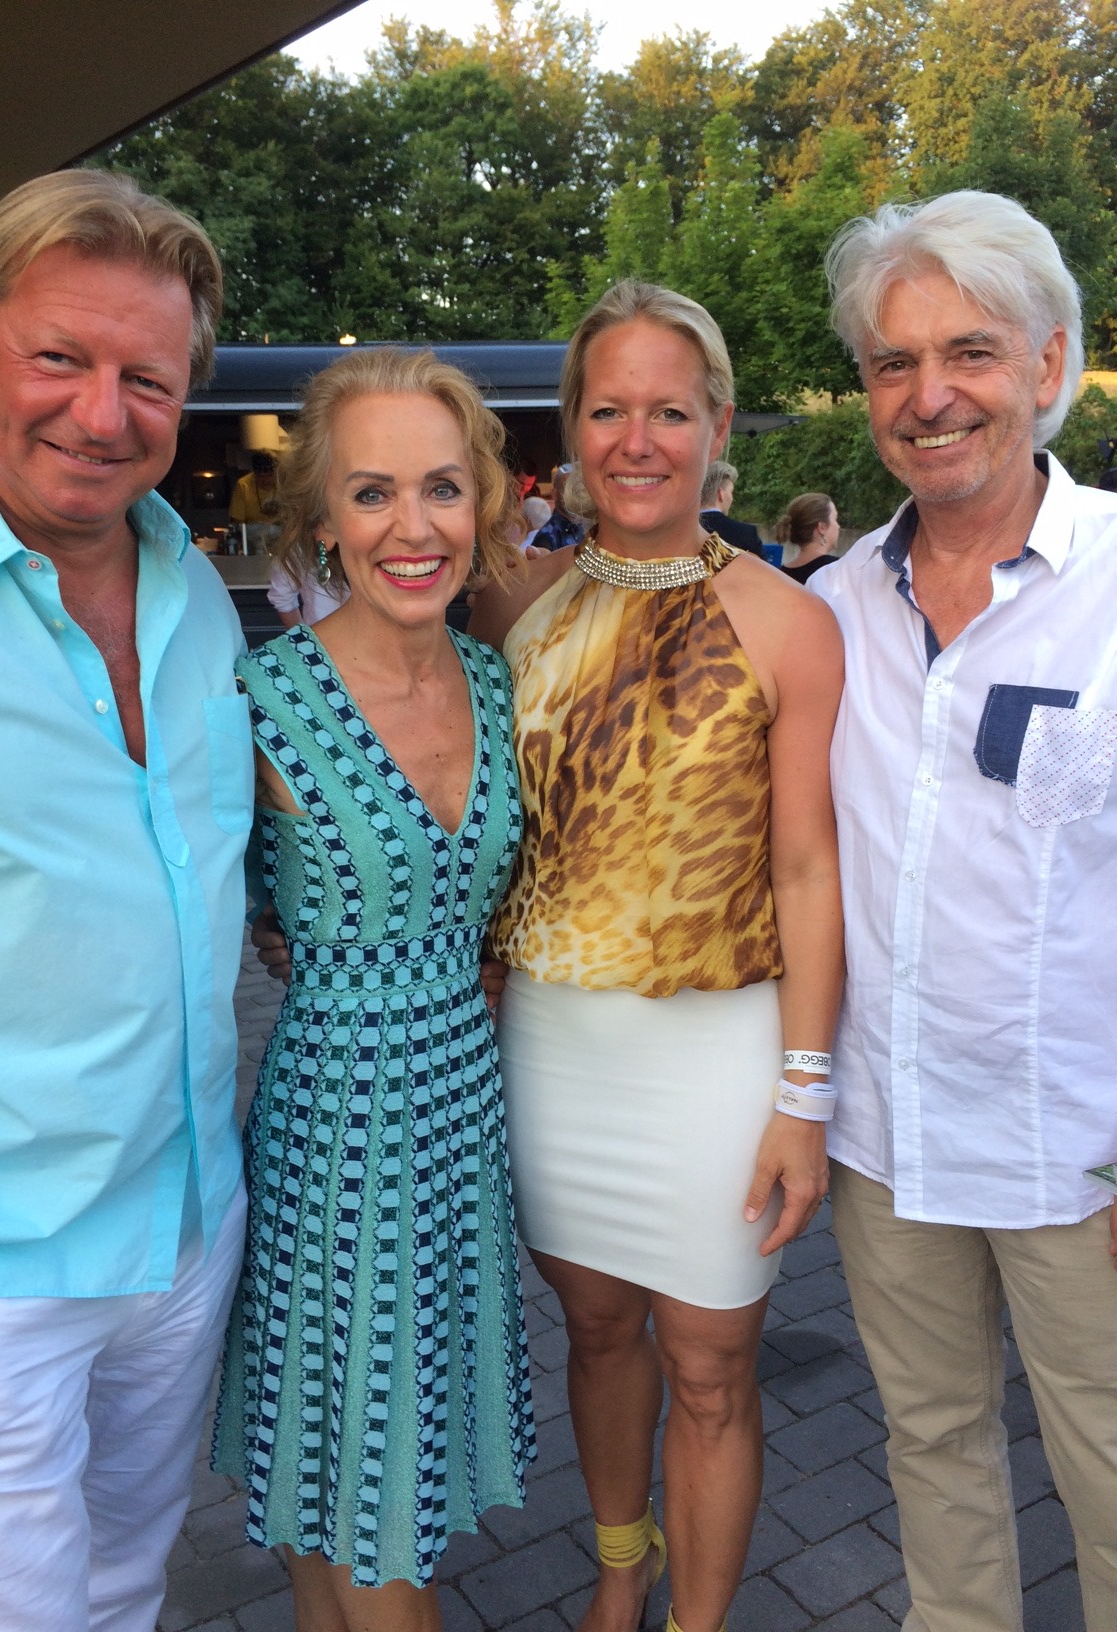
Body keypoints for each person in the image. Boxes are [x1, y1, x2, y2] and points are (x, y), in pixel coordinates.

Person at [0, 170, 251, 1632]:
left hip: (185, 1232)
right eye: (60, 357)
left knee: (121, 1587)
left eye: (146, 379)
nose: (103, 415)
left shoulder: (197, 592)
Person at [470, 280, 845, 1632]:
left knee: (712, 1365)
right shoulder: (509, 610)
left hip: (721, 1055)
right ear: (572, 427)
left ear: (719, 425)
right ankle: (622, 1576)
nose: (637, 441)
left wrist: (803, 1096)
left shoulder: (789, 622)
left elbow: (807, 870)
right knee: (594, 1330)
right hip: (554, 1049)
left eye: (670, 412)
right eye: (609, 409)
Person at [814, 190, 1117, 1632]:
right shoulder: (833, 608)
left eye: (971, 353)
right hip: (891, 1143)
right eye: (895, 361)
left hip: (1085, 1159)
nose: (929, 395)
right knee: (930, 1451)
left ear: (1049, 365)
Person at [212, 346, 535, 1631]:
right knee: (363, 1495)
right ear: (323, 520)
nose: (413, 527)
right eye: (372, 492)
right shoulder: (257, 698)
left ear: (481, 504)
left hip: (463, 1114)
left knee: (347, 1474)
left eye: (442, 488)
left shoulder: (496, 679)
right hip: (342, 1133)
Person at [698, 458, 764, 557]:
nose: (732, 498)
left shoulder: (681, 531)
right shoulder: (746, 534)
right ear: (720, 494)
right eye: (731, 492)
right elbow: (762, 566)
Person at [776, 492, 841, 583]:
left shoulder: (779, 575)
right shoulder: (838, 570)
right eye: (835, 519)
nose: (838, 526)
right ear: (822, 527)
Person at [532, 462, 587, 550]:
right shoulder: (546, 538)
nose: (573, 497)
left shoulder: (587, 529)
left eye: (577, 490)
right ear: (554, 494)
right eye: (566, 491)